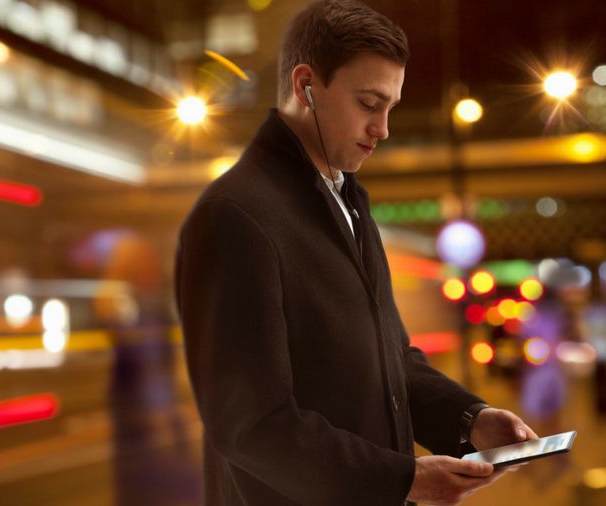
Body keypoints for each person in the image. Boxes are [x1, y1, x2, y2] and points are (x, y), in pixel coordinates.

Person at [173, 1, 538, 504]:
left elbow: (392, 360)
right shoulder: (236, 214)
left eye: (391, 107)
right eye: (369, 104)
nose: (383, 129)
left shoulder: (349, 203)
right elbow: (252, 426)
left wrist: (470, 419)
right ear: (305, 87)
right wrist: (402, 478)